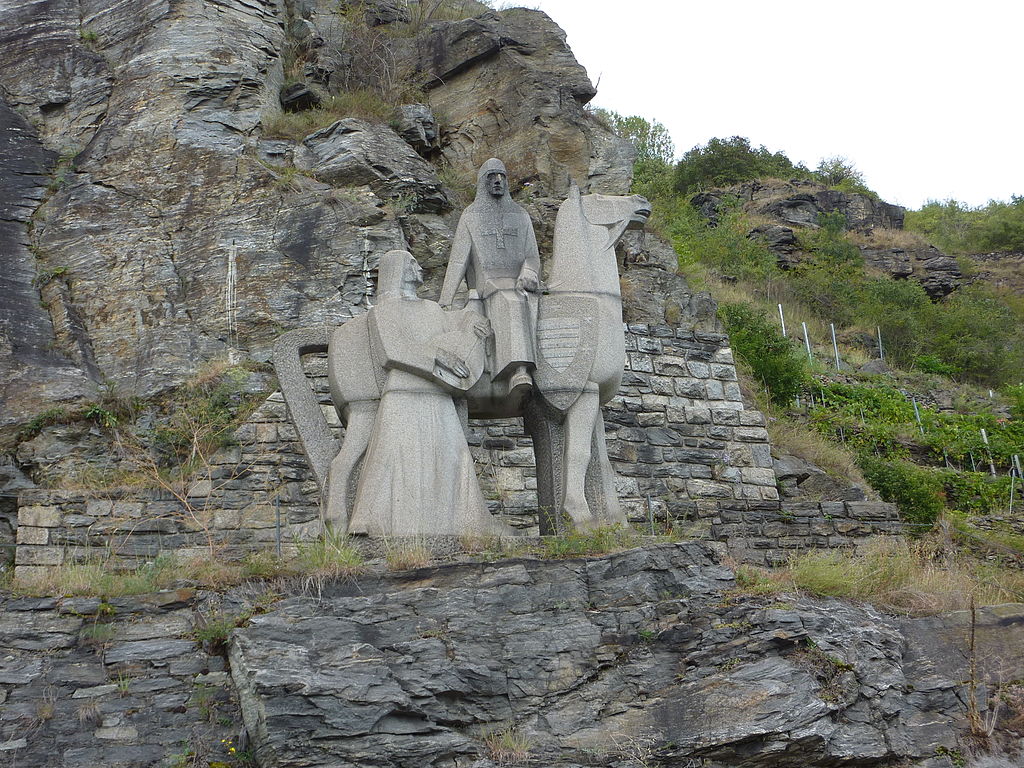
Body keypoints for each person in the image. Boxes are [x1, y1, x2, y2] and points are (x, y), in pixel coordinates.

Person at [347, 250, 514, 538]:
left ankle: (465, 524)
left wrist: (473, 322)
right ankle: (374, 522)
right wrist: (439, 357)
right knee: (391, 458)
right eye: (411, 263)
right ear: (397, 270)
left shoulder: (432, 309)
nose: (418, 267)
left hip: (439, 394)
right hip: (403, 392)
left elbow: (457, 323)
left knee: (450, 458)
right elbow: (392, 351)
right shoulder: (384, 310)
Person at [439, 158, 541, 397]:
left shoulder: (520, 215)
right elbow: (458, 261)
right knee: (512, 300)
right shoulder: (470, 216)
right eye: (491, 176)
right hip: (488, 285)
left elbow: (532, 256)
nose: (497, 181)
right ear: (482, 182)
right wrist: (445, 300)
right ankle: (519, 370)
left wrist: (529, 272)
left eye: (502, 176)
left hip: (519, 282)